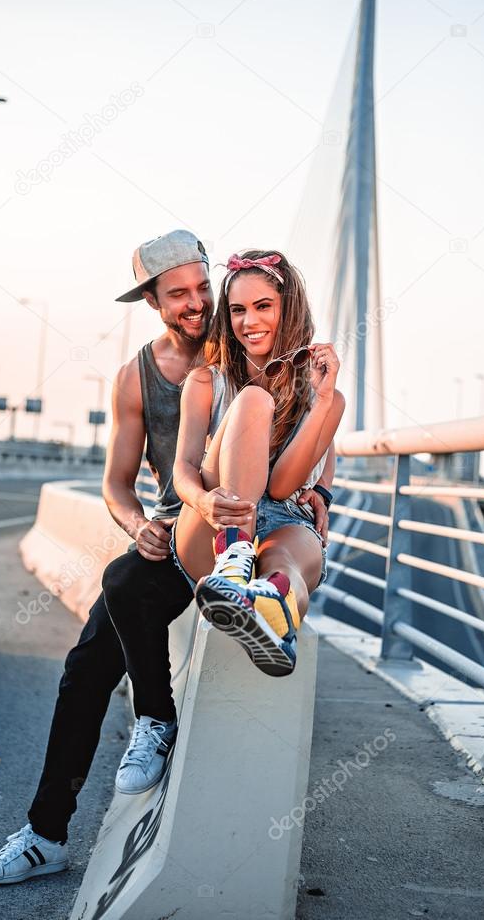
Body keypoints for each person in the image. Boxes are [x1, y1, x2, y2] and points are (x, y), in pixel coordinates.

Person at [0, 231, 334, 885]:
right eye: (181, 294)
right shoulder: (140, 377)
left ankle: (172, 701)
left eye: (204, 287)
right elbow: (117, 482)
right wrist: (139, 521)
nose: (198, 303)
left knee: (145, 587)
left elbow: (303, 422)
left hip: (242, 527)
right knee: (91, 655)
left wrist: (321, 490)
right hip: (175, 532)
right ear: (153, 300)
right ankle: (51, 828)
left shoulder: (247, 350)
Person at [170, 249, 344, 675]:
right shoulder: (206, 381)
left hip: (285, 517)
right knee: (253, 399)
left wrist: (320, 404)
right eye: (237, 310)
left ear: (290, 310)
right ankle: (234, 560)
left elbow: (284, 487)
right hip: (215, 517)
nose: (249, 323)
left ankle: (273, 610)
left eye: (263, 307)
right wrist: (205, 502)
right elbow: (183, 469)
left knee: (290, 566)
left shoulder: (326, 398)